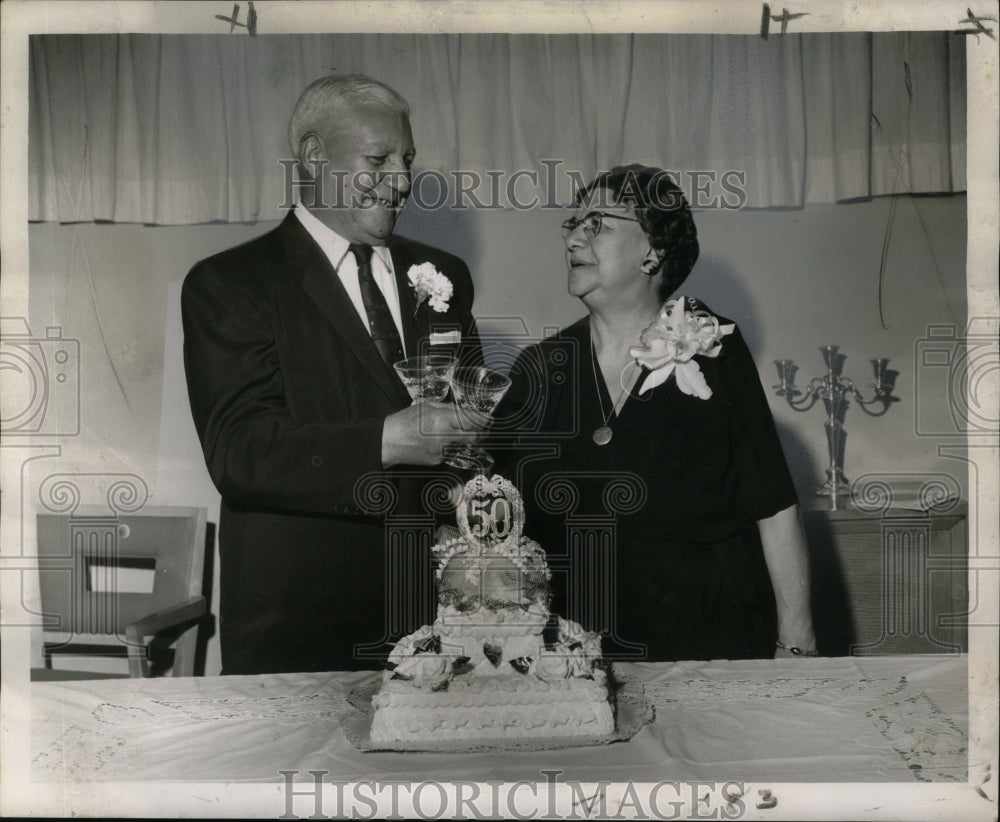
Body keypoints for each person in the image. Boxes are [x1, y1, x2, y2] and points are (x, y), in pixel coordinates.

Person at [182, 75, 483, 674]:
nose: (400, 182)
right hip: (300, 621)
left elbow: (469, 425)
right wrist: (388, 440)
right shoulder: (230, 283)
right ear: (315, 157)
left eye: (407, 160)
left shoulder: (444, 273)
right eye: (379, 159)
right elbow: (240, 454)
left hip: (436, 616)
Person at [489, 164, 816, 662]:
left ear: (653, 251)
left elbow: (772, 503)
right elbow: (493, 516)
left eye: (597, 223)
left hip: (704, 639)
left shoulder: (713, 347)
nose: (575, 239)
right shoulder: (540, 368)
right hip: (570, 654)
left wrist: (797, 641)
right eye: (573, 224)